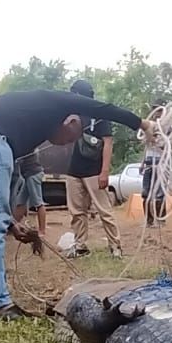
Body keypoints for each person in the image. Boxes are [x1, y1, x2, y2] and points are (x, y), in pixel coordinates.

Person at [0, 89, 155, 320]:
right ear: (71, 120)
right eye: (73, 136)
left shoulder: (29, 117)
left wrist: (10, 223)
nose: (67, 143)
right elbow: (102, 108)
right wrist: (141, 123)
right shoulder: (58, 102)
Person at [64, 80, 123, 259]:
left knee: (104, 210)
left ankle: (116, 246)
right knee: (76, 211)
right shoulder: (73, 114)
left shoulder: (100, 115)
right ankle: (80, 245)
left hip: (94, 171)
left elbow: (108, 142)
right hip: (74, 169)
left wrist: (104, 171)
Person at [141, 99, 172, 228]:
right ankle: (148, 221)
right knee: (145, 193)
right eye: (155, 110)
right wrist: (142, 162)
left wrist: (157, 141)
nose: (157, 113)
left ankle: (160, 220)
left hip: (161, 162)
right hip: (149, 161)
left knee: (160, 194)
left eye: (159, 110)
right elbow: (146, 145)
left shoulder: (168, 127)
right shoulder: (148, 125)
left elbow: (169, 146)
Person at [12, 153, 47, 237]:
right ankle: (14, 225)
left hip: (33, 174)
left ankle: (42, 231)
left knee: (38, 203)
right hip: (27, 175)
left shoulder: (27, 148)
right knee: (20, 201)